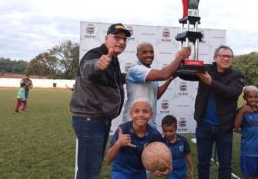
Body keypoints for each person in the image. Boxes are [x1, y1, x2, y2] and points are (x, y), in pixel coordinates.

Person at [69, 23, 131, 179]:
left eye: (124, 39)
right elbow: (88, 70)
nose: (122, 42)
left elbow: (115, 81)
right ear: (106, 38)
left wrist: (135, 76)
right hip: (90, 120)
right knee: (89, 172)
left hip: (97, 120)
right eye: (117, 37)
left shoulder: (114, 60)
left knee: (90, 169)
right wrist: (97, 66)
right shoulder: (95, 55)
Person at [194, 45, 244, 179]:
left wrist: (211, 83)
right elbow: (186, 73)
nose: (226, 58)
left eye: (229, 56)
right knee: (203, 163)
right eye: (223, 56)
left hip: (224, 127)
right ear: (215, 58)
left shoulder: (237, 76)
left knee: (225, 164)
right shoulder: (206, 69)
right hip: (203, 125)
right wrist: (181, 59)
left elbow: (232, 93)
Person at [124, 42, 191, 127]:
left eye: (151, 52)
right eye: (144, 52)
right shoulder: (135, 69)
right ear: (137, 55)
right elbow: (164, 74)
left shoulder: (148, 72)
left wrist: (170, 79)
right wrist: (180, 56)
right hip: (134, 125)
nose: (149, 55)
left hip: (149, 124)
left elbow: (157, 95)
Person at [106, 98, 171, 179]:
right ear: (131, 114)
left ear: (151, 114)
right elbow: (108, 159)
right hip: (121, 172)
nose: (140, 115)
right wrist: (118, 144)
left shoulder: (154, 134)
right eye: (136, 111)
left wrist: (167, 167)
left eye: (145, 111)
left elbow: (166, 154)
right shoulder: (123, 130)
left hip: (140, 173)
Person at [234, 86, 258, 179]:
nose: (253, 99)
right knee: (247, 175)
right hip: (248, 151)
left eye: (256, 97)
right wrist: (241, 112)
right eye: (250, 97)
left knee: (257, 175)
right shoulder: (242, 111)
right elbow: (236, 126)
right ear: (245, 98)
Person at [161, 114, 194, 179]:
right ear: (162, 129)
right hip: (170, 172)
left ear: (175, 129)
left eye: (170, 131)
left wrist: (191, 169)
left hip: (182, 172)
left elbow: (187, 154)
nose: (168, 133)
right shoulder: (162, 143)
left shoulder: (182, 140)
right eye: (165, 131)